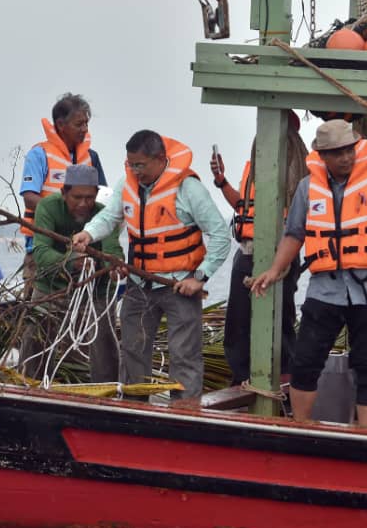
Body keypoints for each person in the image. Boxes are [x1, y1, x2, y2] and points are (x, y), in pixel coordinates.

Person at [251, 119, 367, 429]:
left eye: (349, 150)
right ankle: (301, 426)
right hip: (324, 290)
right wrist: (274, 270)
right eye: (337, 152)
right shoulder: (307, 187)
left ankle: (365, 432)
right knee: (305, 362)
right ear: (322, 155)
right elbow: (294, 234)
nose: (346, 157)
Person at [73, 130, 230, 402]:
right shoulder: (127, 184)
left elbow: (220, 234)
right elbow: (110, 217)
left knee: (184, 355)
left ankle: (185, 417)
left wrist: (200, 277)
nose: (135, 170)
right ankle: (135, 413)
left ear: (159, 159)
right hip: (139, 285)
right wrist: (89, 233)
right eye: (131, 164)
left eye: (140, 165)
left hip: (179, 287)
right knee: (132, 351)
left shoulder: (188, 188)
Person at [210, 111, 307, 386]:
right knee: (238, 320)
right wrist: (221, 181)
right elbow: (242, 207)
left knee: (282, 316)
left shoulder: (302, 170)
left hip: (283, 253)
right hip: (248, 252)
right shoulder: (253, 167)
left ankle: (284, 375)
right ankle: (241, 377)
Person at [19, 165, 123, 383]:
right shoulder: (48, 208)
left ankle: (106, 393)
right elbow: (41, 253)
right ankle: (28, 386)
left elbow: (112, 249)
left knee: (104, 345)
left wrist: (115, 266)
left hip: (96, 292)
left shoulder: (104, 214)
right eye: (77, 197)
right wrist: (73, 262)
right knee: (34, 339)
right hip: (51, 288)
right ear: (64, 193)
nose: (83, 204)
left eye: (89, 197)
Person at [19, 94, 107, 289]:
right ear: (60, 124)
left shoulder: (92, 157)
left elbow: (104, 197)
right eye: (79, 124)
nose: (85, 129)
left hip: (85, 247)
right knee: (40, 310)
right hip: (44, 245)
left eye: (86, 123)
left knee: (86, 308)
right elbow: (29, 197)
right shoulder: (39, 155)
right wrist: (61, 211)